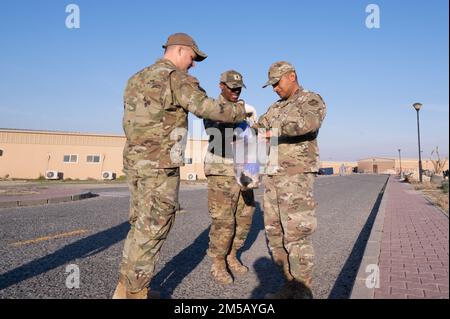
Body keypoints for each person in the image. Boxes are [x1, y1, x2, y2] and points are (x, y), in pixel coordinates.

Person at [113, 33, 246, 299]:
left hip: (136, 163)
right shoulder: (175, 78)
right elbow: (206, 107)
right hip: (160, 166)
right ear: (181, 51)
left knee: (140, 226)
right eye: (193, 58)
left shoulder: (135, 79)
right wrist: (243, 112)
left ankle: (124, 289)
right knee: (153, 229)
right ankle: (136, 294)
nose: (193, 64)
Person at [257, 61, 326, 298]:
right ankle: (290, 286)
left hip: (296, 176)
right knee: (274, 233)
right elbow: (258, 127)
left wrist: (273, 131)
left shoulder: (310, 100)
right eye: (272, 85)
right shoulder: (275, 108)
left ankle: (302, 291)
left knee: (296, 234)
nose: (275, 88)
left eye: (277, 83)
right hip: (272, 175)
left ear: (292, 76)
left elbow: (309, 123)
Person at [203, 70, 256, 285]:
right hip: (222, 168)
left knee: (244, 216)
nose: (235, 91)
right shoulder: (210, 107)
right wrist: (242, 113)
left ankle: (232, 254)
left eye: (239, 88)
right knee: (223, 219)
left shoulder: (243, 108)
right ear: (221, 86)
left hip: (245, 168)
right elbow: (217, 136)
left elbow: (251, 138)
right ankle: (217, 261)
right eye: (231, 87)